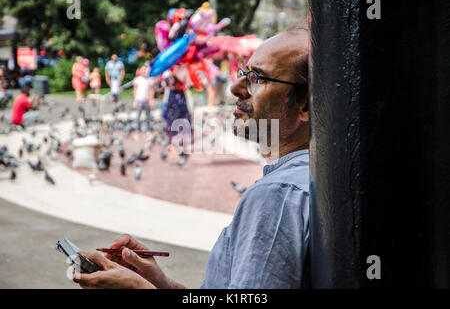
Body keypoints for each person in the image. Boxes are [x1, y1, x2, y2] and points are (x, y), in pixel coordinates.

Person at [72, 29, 310, 289]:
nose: (235, 87)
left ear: (305, 105)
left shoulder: (277, 196)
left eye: (256, 78)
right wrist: (159, 283)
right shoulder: (309, 179)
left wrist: (137, 288)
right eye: (244, 73)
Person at [133, 65, 155, 133]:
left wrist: (151, 100)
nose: (144, 71)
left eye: (145, 70)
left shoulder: (150, 79)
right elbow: (135, 90)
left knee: (148, 116)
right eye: (142, 70)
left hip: (147, 100)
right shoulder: (137, 79)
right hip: (139, 99)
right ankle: (137, 128)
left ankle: (148, 129)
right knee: (138, 115)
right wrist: (135, 100)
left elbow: (152, 90)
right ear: (140, 71)